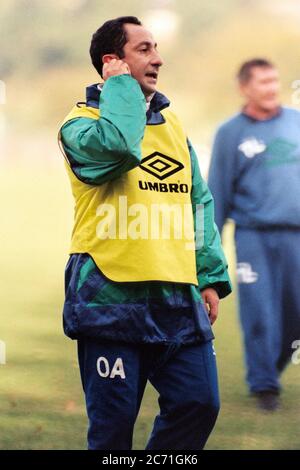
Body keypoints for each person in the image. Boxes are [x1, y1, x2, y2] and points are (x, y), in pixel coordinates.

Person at [58, 16, 231, 450]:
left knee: (199, 404)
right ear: (112, 62)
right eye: (144, 50)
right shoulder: (79, 125)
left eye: (156, 48)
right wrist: (120, 90)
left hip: (176, 296)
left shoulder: (174, 126)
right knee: (113, 431)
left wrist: (208, 276)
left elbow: (198, 203)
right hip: (109, 296)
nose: (158, 59)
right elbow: (119, 146)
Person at [208, 58, 300, 412]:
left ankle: (271, 371)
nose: (272, 88)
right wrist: (208, 253)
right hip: (254, 237)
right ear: (245, 87)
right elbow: (218, 191)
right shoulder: (230, 133)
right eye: (263, 82)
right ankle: (264, 385)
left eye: (275, 80)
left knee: (295, 320)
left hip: (296, 237)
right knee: (259, 311)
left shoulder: (295, 123)